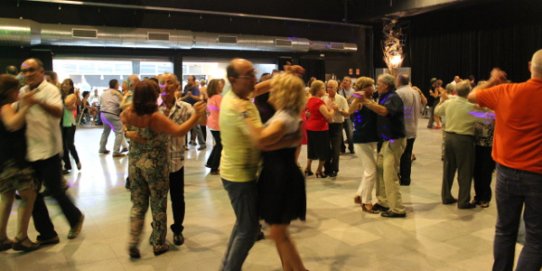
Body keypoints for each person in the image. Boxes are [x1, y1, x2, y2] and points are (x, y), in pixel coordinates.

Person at [468, 49, 542, 271]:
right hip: (538, 177)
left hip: (506, 173)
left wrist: (492, 79)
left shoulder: (506, 91)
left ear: (530, 66)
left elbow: (472, 96)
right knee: (537, 239)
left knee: (504, 230)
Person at [121, 79, 206, 259]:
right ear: (153, 96)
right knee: (158, 203)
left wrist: (131, 133)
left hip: (135, 163)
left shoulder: (128, 112)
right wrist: (195, 117)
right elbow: (178, 131)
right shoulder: (155, 117)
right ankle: (159, 243)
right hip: (155, 164)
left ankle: (133, 241)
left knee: (138, 204)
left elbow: (124, 125)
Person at [241, 72, 307, 271]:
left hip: (280, 178)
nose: (270, 90)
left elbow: (260, 140)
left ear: (283, 93)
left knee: (278, 232)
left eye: (275, 87)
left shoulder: (282, 118)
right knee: (278, 231)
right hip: (280, 174)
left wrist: (245, 116)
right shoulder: (287, 114)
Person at [20, 58, 85, 244]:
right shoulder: (23, 91)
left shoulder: (50, 90)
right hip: (29, 149)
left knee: (55, 190)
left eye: (31, 70)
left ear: (41, 72)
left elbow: (58, 112)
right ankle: (48, 234)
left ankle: (75, 217)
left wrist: (37, 101)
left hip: (49, 149)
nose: (27, 74)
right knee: (32, 194)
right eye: (24, 71)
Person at [218, 58, 263, 271]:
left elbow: (259, 87)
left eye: (254, 73)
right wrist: (286, 126)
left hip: (235, 172)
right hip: (240, 176)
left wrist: (284, 77)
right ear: (233, 80)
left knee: (243, 223)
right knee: (249, 229)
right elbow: (260, 139)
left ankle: (227, 266)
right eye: (249, 75)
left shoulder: (233, 93)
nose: (254, 79)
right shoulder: (239, 106)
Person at [0, 74, 39, 252]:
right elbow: (12, 124)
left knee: (6, 196)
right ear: (10, 92)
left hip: (3, 159)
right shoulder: (5, 106)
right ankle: (21, 237)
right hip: (13, 160)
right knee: (28, 195)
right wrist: (26, 106)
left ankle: (1, 237)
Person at [361, 73, 407, 218]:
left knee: (389, 175)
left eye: (378, 84)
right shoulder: (384, 96)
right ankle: (384, 201)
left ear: (386, 85)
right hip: (386, 140)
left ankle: (397, 209)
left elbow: (384, 111)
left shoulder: (393, 97)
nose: (376, 86)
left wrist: (367, 102)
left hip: (394, 140)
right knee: (380, 170)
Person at [157, 73, 194, 247]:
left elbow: (201, 120)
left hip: (176, 161)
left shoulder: (185, 108)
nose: (165, 86)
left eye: (169, 82)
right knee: (158, 198)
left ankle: (178, 228)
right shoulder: (152, 108)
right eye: (162, 83)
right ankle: (158, 229)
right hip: (156, 162)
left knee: (178, 198)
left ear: (177, 86)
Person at [435, 80, 480, 209]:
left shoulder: (449, 103)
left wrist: (444, 101)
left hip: (449, 137)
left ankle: (446, 196)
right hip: (464, 139)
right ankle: (463, 201)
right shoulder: (471, 107)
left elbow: (437, 111)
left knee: (448, 169)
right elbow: (487, 118)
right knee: (465, 170)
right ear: (469, 92)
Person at [350, 77, 379, 213]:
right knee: (371, 171)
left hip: (371, 139)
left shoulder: (371, 100)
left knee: (369, 170)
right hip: (362, 139)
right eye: (371, 85)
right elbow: (350, 110)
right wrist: (357, 95)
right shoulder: (359, 101)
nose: (373, 87)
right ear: (365, 88)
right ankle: (366, 202)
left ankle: (359, 194)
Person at [395, 74, 422, 186]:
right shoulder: (415, 91)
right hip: (413, 127)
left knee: (400, 154)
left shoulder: (399, 93)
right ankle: (406, 178)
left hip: (402, 129)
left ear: (399, 81)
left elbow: (395, 111)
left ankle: (401, 177)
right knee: (407, 154)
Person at [304, 80, 335, 178]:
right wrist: (332, 109)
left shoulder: (309, 100)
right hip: (320, 129)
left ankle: (308, 168)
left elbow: (307, 112)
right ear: (318, 90)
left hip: (310, 127)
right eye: (323, 88)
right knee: (324, 150)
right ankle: (319, 170)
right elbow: (329, 117)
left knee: (312, 149)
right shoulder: (319, 102)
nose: (325, 89)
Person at [322, 79, 349, 178]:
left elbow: (347, 113)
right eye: (328, 87)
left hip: (337, 125)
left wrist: (339, 110)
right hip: (325, 125)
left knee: (336, 149)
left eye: (331, 87)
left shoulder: (341, 99)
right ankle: (327, 168)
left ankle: (334, 169)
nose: (329, 89)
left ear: (336, 88)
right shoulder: (323, 99)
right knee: (326, 148)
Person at [98, 79, 126, 157]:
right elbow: (120, 104)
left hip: (103, 114)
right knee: (119, 132)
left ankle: (102, 148)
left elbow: (100, 102)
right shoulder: (116, 93)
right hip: (112, 114)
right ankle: (116, 151)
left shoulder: (104, 92)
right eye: (118, 84)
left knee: (105, 132)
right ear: (116, 85)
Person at [60, 78, 81, 174]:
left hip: (70, 123)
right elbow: (67, 106)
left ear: (71, 86)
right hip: (61, 123)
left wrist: (61, 102)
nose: (65, 85)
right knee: (63, 146)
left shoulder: (72, 95)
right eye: (64, 83)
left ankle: (77, 161)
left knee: (69, 144)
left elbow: (68, 103)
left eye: (67, 84)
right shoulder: (60, 95)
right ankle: (67, 165)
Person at [205, 79, 224, 175]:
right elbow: (223, 110)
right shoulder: (218, 97)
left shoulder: (210, 97)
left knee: (218, 145)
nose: (221, 87)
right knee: (220, 145)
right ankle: (214, 167)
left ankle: (210, 163)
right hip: (217, 125)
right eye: (219, 85)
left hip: (212, 124)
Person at [182, 75, 206, 150]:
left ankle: (202, 143)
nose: (188, 81)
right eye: (188, 80)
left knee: (196, 127)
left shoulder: (195, 88)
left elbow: (198, 98)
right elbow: (184, 96)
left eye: (190, 80)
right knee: (184, 127)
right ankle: (184, 145)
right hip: (185, 108)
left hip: (193, 109)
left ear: (193, 81)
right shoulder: (186, 87)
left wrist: (191, 95)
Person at [338, 76, 355, 154]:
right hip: (341, 115)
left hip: (349, 115)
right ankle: (342, 148)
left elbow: (358, 101)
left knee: (350, 134)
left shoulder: (354, 92)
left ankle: (351, 148)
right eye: (344, 80)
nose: (344, 81)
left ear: (350, 83)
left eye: (347, 80)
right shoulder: (339, 91)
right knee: (340, 135)